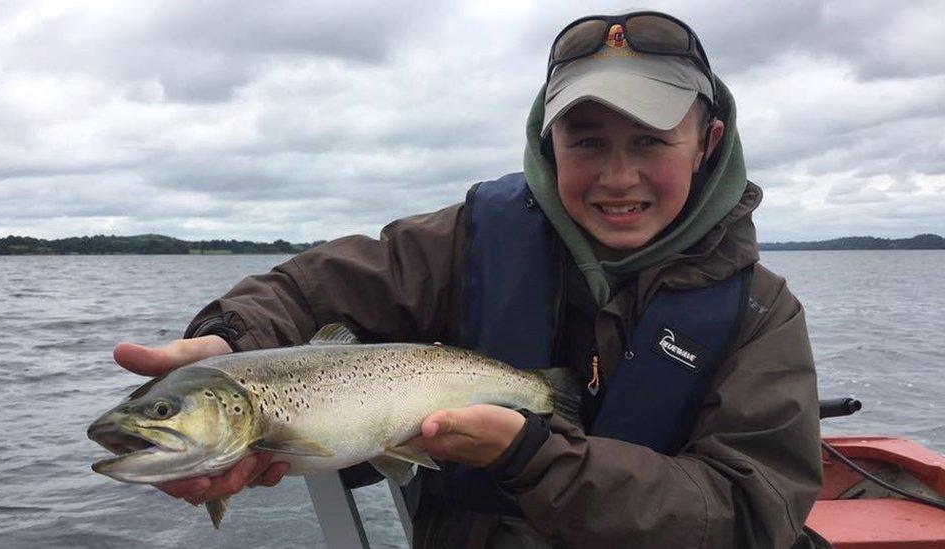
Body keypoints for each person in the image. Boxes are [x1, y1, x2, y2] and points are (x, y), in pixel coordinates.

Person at [114, 10, 824, 548]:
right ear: (547, 144)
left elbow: (750, 513)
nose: (617, 176)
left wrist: (532, 456)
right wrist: (227, 342)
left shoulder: (762, 314)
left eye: (649, 140)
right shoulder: (464, 243)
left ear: (709, 142)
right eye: (586, 141)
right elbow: (303, 291)